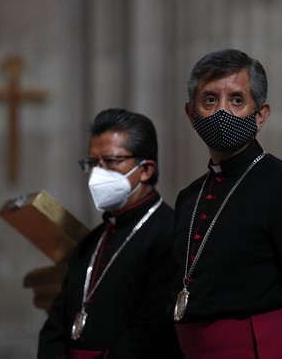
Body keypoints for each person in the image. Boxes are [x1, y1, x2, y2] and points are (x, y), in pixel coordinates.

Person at [170, 48, 282, 358]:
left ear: (260, 115)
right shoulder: (190, 196)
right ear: (191, 113)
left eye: (237, 100)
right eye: (209, 100)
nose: (221, 112)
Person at [38, 109, 182, 358]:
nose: (97, 173)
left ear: (146, 169)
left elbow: (156, 330)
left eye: (111, 162)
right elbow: (56, 323)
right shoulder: (91, 242)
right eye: (92, 163)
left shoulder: (170, 233)